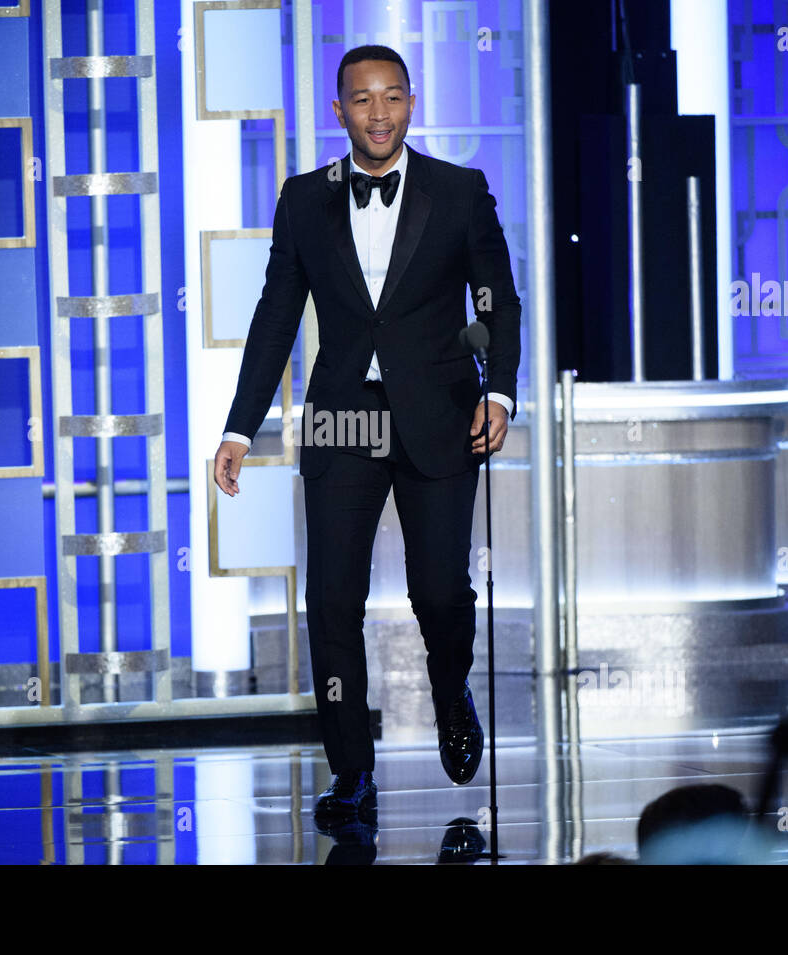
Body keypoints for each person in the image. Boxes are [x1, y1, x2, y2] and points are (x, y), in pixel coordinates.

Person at [213, 44, 521, 830]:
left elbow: (497, 303)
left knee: (442, 594)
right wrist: (239, 426)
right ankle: (352, 768)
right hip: (342, 421)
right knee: (331, 601)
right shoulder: (304, 199)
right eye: (361, 100)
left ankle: (451, 687)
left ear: (411, 102)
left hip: (441, 416)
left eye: (391, 98)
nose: (378, 114)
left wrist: (504, 395)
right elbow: (276, 314)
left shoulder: (459, 191)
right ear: (338, 110)